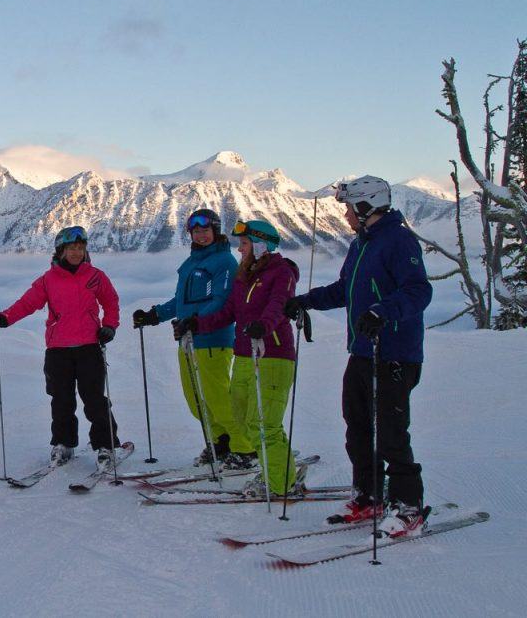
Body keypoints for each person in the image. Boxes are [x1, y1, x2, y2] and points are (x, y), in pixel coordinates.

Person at [285, 176, 432, 536]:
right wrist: (307, 300)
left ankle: (408, 507)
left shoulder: (398, 240)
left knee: (391, 434)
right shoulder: (361, 245)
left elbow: (418, 291)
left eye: (349, 208)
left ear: (367, 206)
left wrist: (384, 312)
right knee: (358, 428)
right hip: (364, 351)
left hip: (394, 353)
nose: (346, 215)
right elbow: (346, 289)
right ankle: (369, 498)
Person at [178, 219, 304, 497]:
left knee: (264, 423)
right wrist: (197, 323)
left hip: (272, 354)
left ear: (261, 245)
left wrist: (264, 325)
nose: (240, 249)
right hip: (245, 355)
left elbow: (278, 305)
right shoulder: (244, 274)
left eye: (244, 244)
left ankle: (281, 484)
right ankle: (280, 468)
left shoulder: (281, 272)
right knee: (244, 418)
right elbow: (228, 313)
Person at [0, 226, 122, 467]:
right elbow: (28, 303)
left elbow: (111, 301)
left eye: (80, 248)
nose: (76, 253)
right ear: (61, 250)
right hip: (58, 349)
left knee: (94, 399)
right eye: (71, 248)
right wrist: (5, 317)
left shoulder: (96, 276)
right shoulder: (48, 280)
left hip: (89, 346)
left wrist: (110, 326)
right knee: (61, 399)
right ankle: (64, 444)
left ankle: (106, 445)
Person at [132, 209, 243, 467]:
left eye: (206, 230)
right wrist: (154, 315)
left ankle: (244, 449)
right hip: (188, 339)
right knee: (196, 400)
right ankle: (220, 443)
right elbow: (181, 302)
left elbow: (221, 301)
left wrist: (194, 321)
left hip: (213, 340)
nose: (201, 235)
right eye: (196, 231)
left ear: (216, 231)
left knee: (218, 399)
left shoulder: (225, 262)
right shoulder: (191, 263)